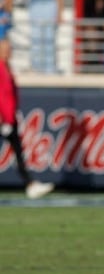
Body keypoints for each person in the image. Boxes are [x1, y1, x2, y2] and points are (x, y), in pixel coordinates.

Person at [0, 38, 54, 199]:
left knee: (18, 152)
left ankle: (30, 184)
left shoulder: (7, 67)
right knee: (17, 152)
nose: (10, 52)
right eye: (7, 49)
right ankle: (30, 184)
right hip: (3, 119)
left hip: (9, 119)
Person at [26, 0, 64, 74]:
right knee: (36, 38)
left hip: (49, 5)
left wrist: (60, 12)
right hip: (35, 4)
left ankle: (49, 68)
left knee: (48, 38)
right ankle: (36, 66)